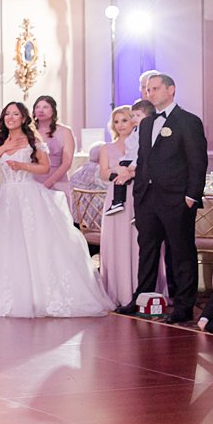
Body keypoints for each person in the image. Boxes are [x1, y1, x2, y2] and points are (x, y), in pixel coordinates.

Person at [0, 103, 113, 317]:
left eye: (15, 114)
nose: (10, 117)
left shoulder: (33, 140)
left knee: (35, 243)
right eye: (7, 114)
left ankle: (40, 295)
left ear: (23, 118)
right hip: (6, 197)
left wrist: (24, 167)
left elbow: (44, 167)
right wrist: (4, 148)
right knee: (5, 244)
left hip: (29, 193)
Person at [114, 73, 208, 324]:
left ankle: (183, 306)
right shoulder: (146, 124)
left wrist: (191, 196)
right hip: (148, 198)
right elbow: (143, 160)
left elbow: (197, 162)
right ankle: (141, 298)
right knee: (147, 249)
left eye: (155, 88)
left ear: (171, 90)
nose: (149, 93)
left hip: (177, 198)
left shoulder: (188, 121)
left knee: (181, 252)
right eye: (147, 89)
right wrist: (139, 192)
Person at [96, 106, 143, 303]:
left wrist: (130, 173)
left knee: (138, 239)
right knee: (117, 240)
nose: (121, 125)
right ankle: (118, 292)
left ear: (133, 121)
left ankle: (141, 290)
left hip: (138, 194)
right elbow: (103, 173)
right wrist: (118, 172)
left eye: (125, 120)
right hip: (116, 195)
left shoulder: (142, 144)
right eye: (117, 121)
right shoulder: (106, 147)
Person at [32, 94, 76, 208]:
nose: (41, 110)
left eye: (45, 107)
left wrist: (48, 183)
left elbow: (67, 163)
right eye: (38, 107)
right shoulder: (29, 132)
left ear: (53, 110)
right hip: (33, 180)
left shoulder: (65, 131)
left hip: (57, 180)